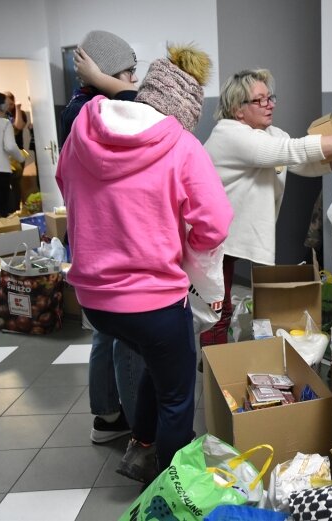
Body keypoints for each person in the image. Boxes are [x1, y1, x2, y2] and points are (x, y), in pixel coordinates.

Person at [56, 43, 232, 484]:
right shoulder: (183, 146)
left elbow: (64, 183)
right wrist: (187, 252)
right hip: (152, 302)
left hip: (94, 299)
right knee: (177, 393)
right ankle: (171, 488)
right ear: (183, 111)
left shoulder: (82, 130)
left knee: (156, 362)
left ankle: (142, 444)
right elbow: (215, 222)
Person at [201, 68, 332, 346]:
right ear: (237, 110)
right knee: (218, 310)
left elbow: (306, 163)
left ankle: (227, 365)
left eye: (270, 97)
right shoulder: (229, 135)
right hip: (213, 236)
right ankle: (213, 374)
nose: (270, 104)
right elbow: (294, 150)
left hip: (236, 232)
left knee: (227, 307)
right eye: (259, 100)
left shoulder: (271, 133)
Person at [60, 29, 145, 446]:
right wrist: (114, 83)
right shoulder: (92, 113)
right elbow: (144, 109)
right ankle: (129, 423)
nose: (133, 81)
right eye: (129, 73)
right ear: (107, 74)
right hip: (106, 243)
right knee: (123, 335)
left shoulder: (78, 107)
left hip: (90, 242)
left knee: (106, 333)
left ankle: (108, 414)